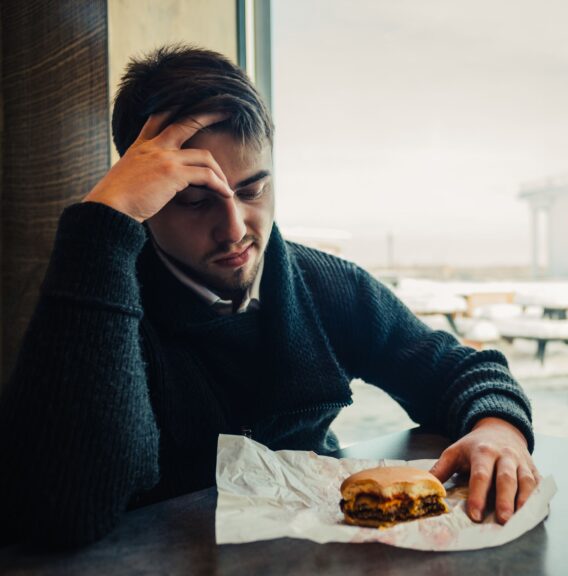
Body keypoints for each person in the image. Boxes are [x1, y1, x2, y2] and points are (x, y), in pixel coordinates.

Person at [0, 45, 539, 547]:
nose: (236, 229)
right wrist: (102, 223)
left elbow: (457, 370)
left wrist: (500, 430)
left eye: (253, 190)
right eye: (193, 200)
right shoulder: (92, 296)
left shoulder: (327, 284)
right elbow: (62, 510)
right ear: (144, 195)